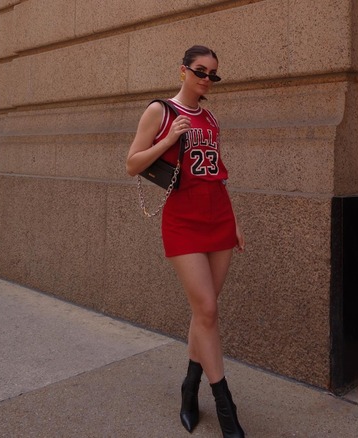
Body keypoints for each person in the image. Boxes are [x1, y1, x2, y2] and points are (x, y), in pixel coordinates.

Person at [126, 45, 246, 437]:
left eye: (213, 74)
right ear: (183, 71)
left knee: (204, 313)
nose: (206, 79)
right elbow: (132, 164)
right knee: (207, 309)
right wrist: (168, 140)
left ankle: (189, 386)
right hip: (183, 220)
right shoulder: (160, 111)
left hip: (219, 217)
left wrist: (236, 222)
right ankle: (225, 407)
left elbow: (217, 173)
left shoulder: (210, 116)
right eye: (200, 71)